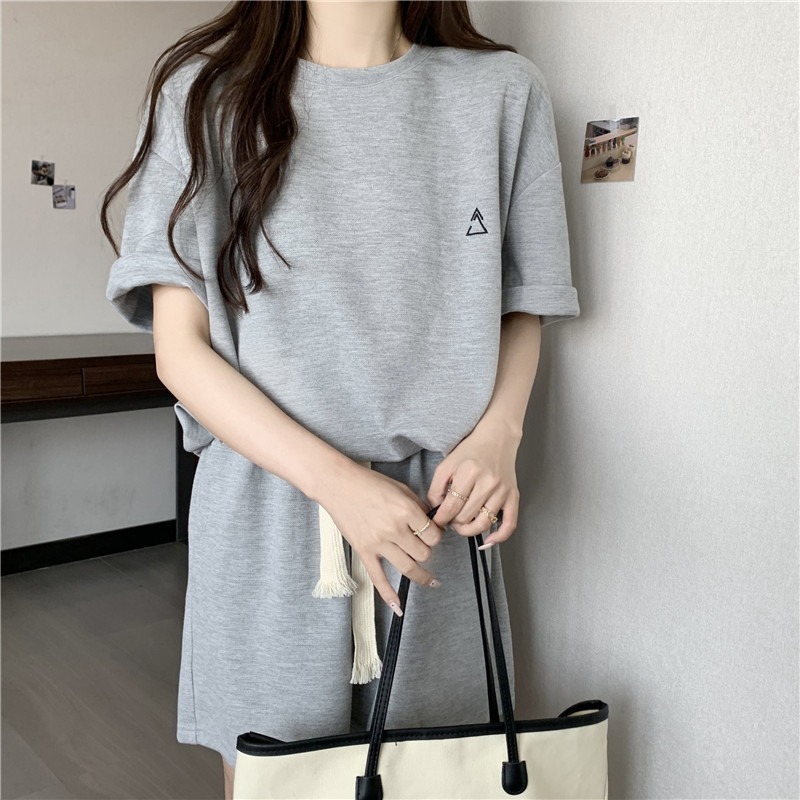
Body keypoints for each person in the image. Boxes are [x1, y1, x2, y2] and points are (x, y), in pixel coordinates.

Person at [100, 1, 580, 796]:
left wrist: (499, 435)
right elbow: (180, 352)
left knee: (439, 776)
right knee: (275, 779)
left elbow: (523, 300)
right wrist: (338, 484)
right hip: (267, 508)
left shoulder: (502, 92)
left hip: (438, 513)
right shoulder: (205, 96)